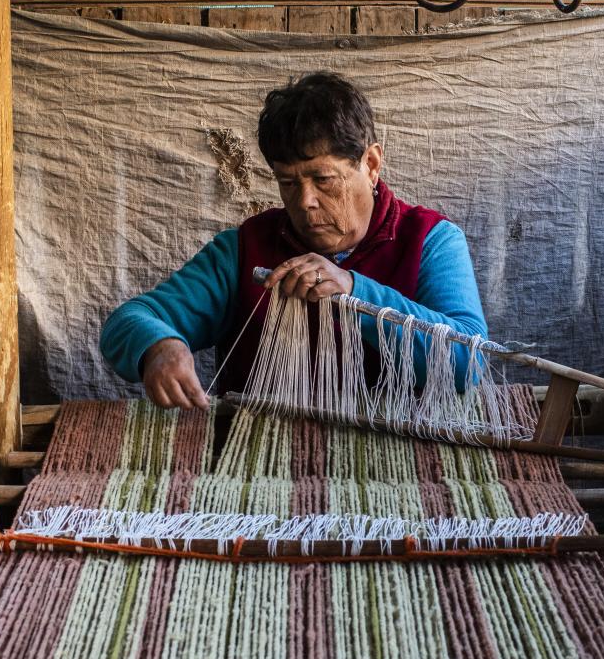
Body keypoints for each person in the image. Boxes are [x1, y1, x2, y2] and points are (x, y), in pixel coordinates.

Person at [101, 71, 487, 409]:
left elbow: (469, 362)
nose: (305, 201)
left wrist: (354, 291)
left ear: (370, 164)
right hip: (262, 460)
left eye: (324, 179)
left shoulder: (429, 241)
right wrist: (159, 346)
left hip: (405, 460)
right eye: (288, 182)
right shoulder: (244, 250)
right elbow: (129, 320)